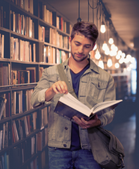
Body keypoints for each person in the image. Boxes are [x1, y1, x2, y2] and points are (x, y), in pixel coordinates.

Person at [31, 21, 116, 169]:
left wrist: (96, 122)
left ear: (93, 46)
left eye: (86, 46)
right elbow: (34, 100)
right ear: (70, 40)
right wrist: (51, 90)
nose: (80, 50)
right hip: (58, 148)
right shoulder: (51, 73)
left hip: (90, 149)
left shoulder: (105, 77)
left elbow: (109, 113)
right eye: (77, 43)